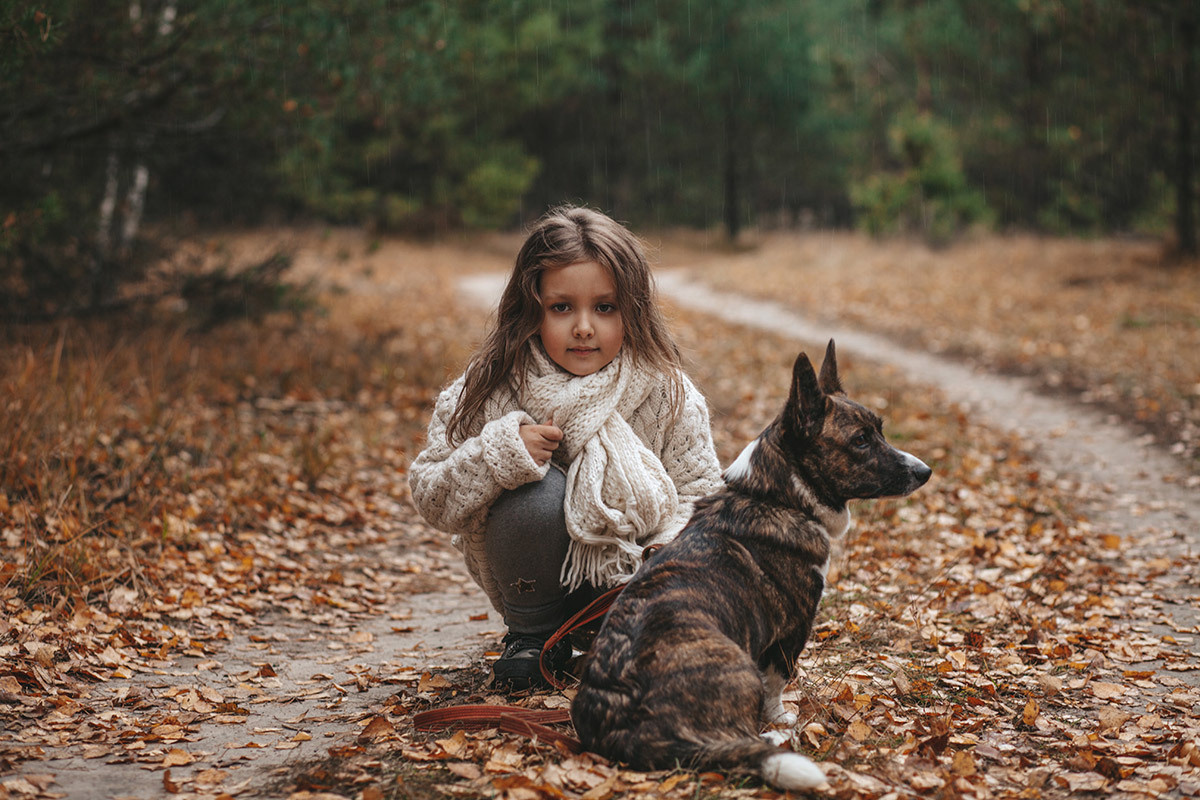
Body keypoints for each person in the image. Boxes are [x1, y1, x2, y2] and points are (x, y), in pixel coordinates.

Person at [408, 205, 724, 690]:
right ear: (531, 309)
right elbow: (431, 494)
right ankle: (533, 641)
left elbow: (703, 497)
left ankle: (622, 638)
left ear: (632, 310)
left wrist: (664, 551)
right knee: (535, 493)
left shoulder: (665, 391)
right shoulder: (491, 387)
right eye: (562, 308)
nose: (583, 327)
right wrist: (500, 456)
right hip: (533, 583)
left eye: (604, 307)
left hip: (634, 582)